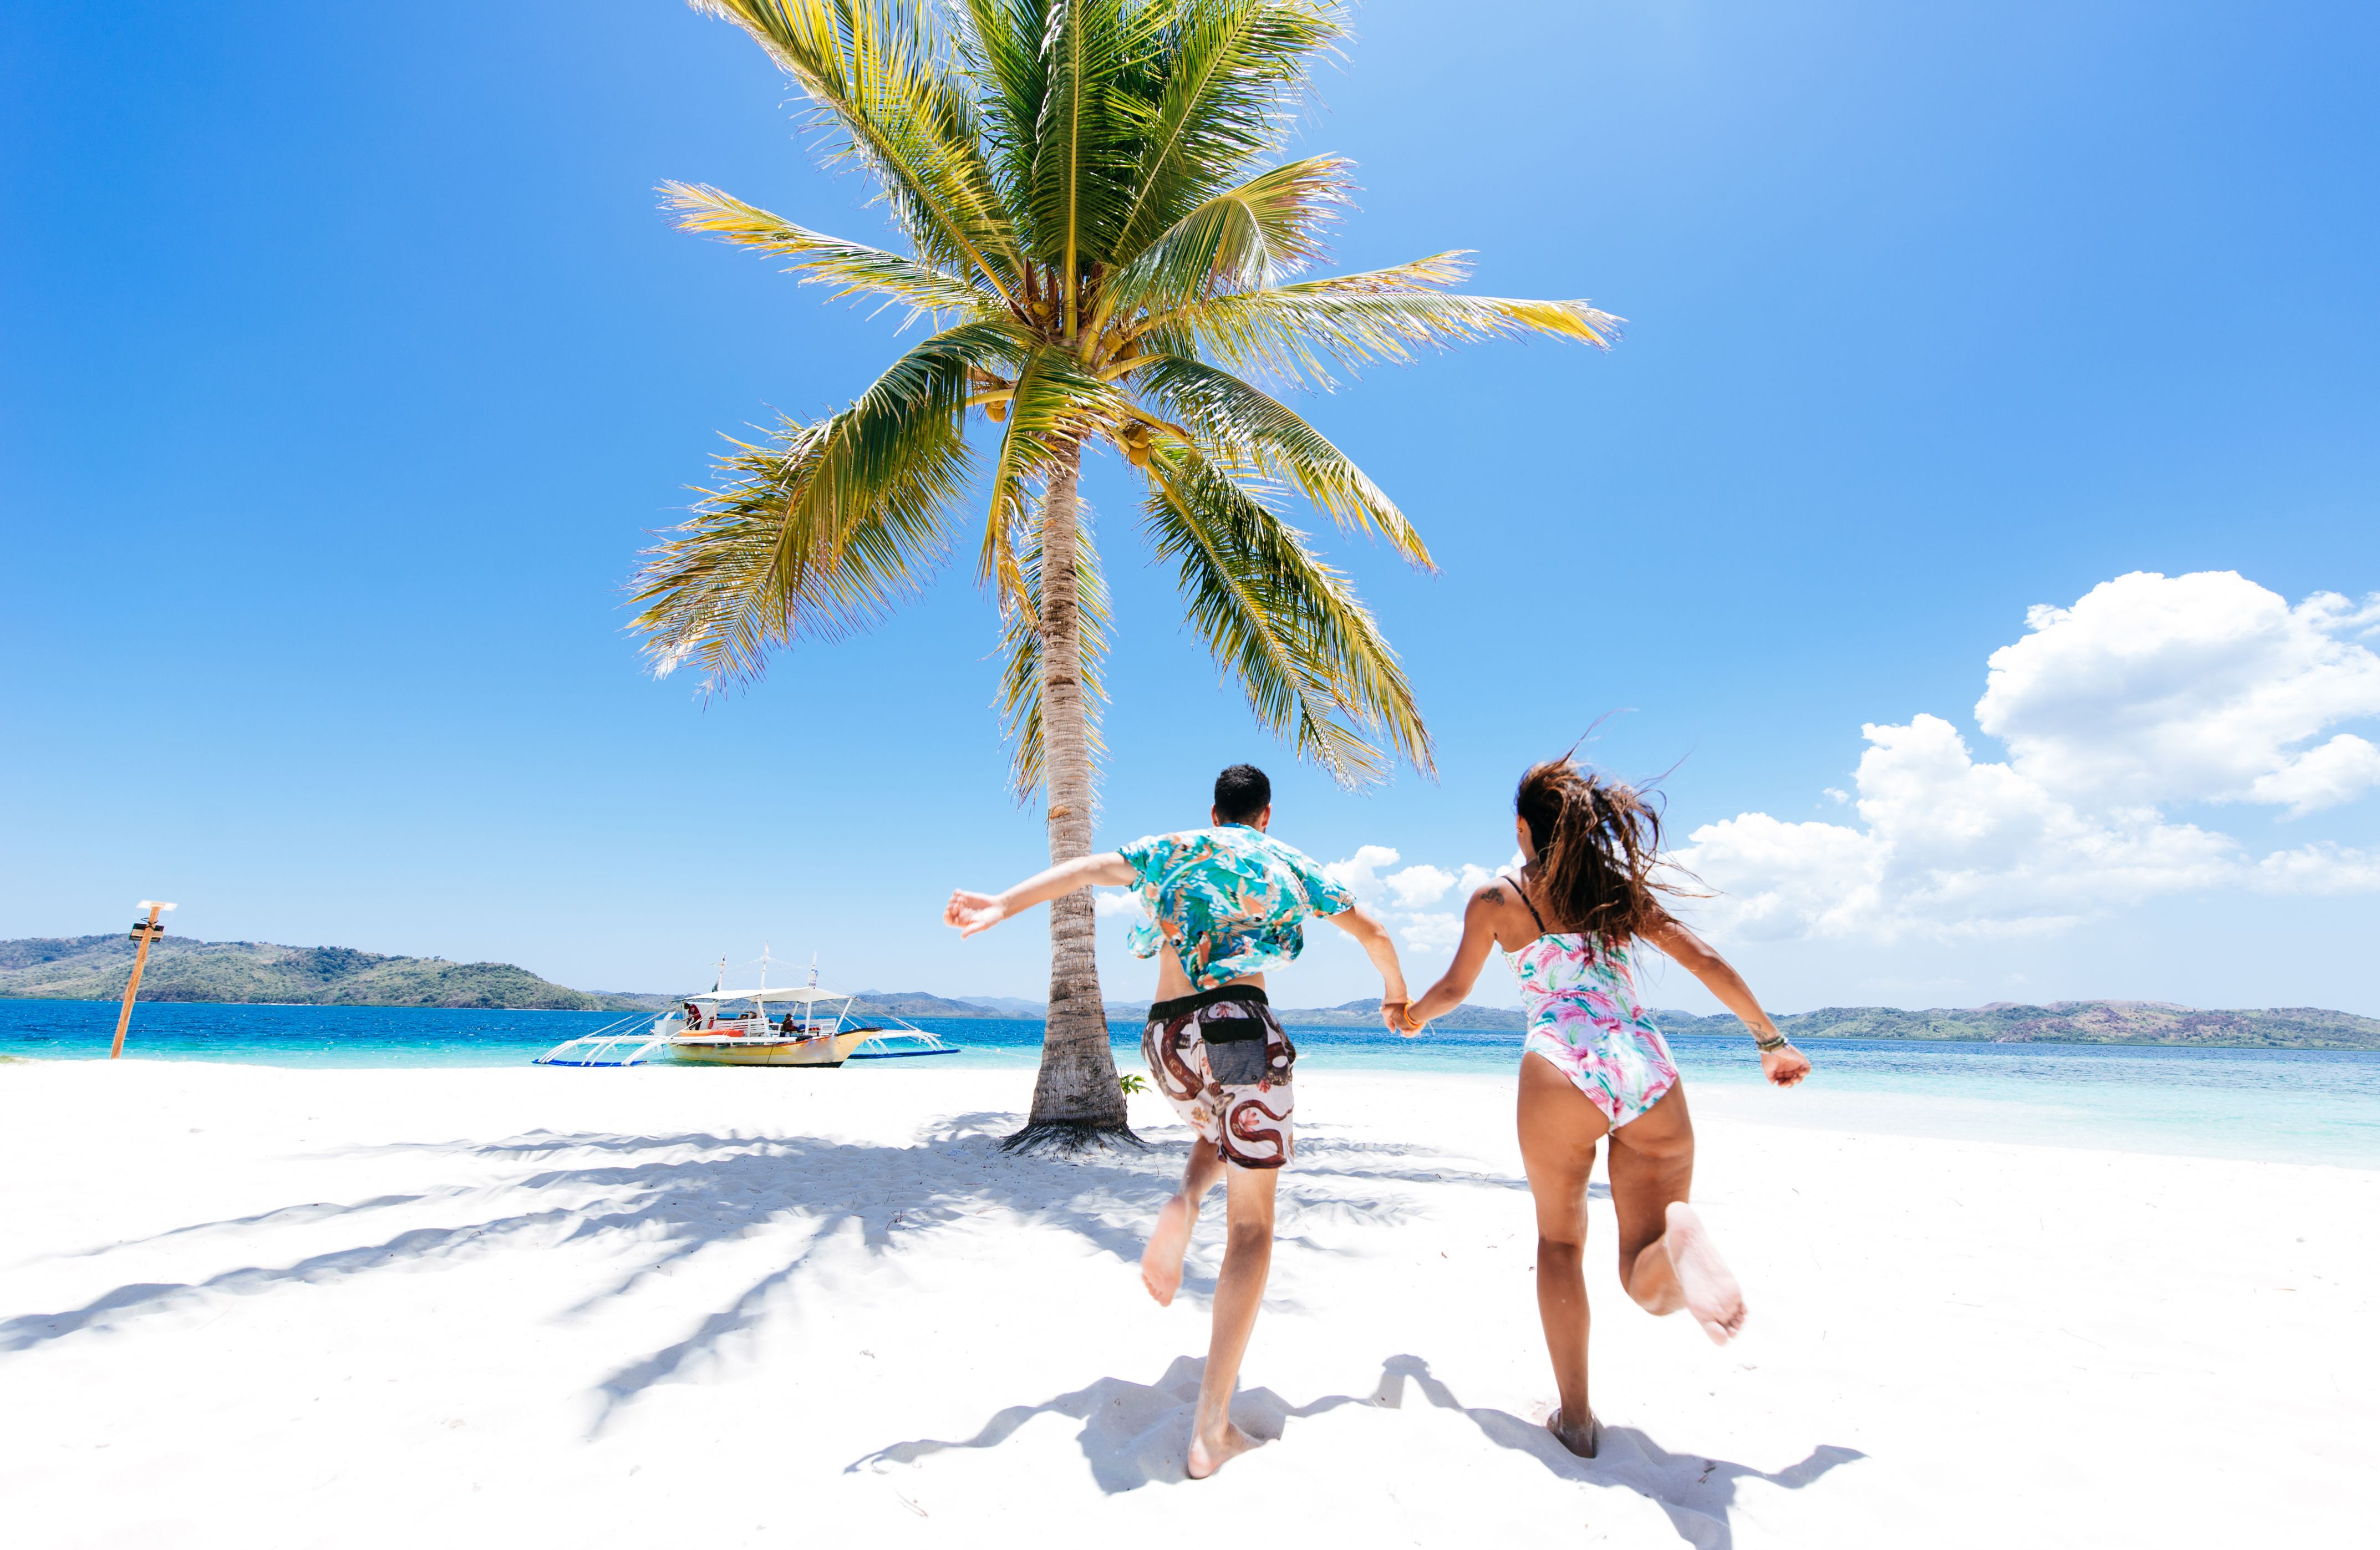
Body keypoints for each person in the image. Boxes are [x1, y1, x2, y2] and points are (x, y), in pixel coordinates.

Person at [943, 763, 1413, 1479]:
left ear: (1214, 812)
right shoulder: (1286, 859)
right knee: (1252, 1227)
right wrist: (1395, 993)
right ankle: (1211, 1429)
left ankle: (1186, 1198)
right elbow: (1373, 930)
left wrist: (1001, 903)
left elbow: (1086, 868)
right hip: (1239, 1027)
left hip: (1165, 1040)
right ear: (1265, 816)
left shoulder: (1176, 847)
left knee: (1219, 1127)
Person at [1399, 755, 1811, 1459]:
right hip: (1644, 1065)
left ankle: (1576, 1417)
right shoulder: (1614, 890)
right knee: (1645, 1279)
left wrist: (1410, 1016)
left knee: (1560, 1242)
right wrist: (1770, 1041)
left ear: (1523, 828)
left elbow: (1454, 989)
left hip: (1559, 1062)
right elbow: (1704, 959)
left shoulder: (1496, 898)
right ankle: (1672, 1247)